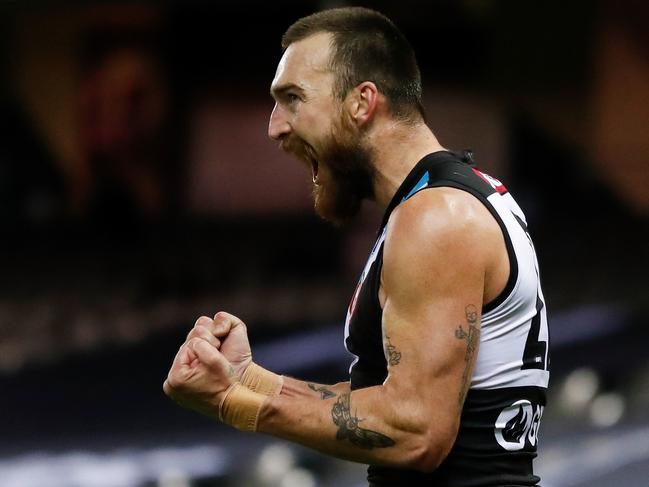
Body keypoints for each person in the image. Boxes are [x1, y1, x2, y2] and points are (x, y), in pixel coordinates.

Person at [163, 7, 550, 486]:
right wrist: (250, 379)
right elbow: (388, 397)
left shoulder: (436, 218)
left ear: (362, 102)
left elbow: (417, 431)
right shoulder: (448, 199)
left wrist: (234, 403)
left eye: (292, 99)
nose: (275, 127)